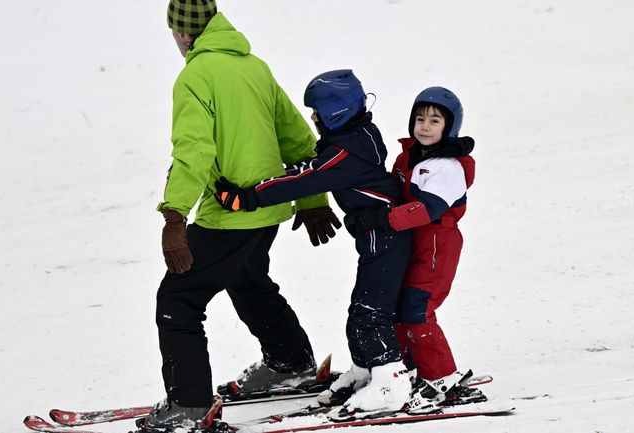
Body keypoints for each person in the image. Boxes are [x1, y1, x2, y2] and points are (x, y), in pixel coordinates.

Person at [143, 1, 343, 431]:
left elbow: (194, 151)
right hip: (268, 208)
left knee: (178, 300)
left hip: (231, 213)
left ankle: (188, 406)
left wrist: (175, 217)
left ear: (182, 33)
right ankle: (291, 362)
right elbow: (297, 137)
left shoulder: (195, 76)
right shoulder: (254, 67)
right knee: (247, 279)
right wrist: (311, 200)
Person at [214, 69, 413, 414]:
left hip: (386, 239)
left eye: (316, 114)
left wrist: (248, 197)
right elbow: (312, 168)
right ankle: (365, 373)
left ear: (335, 114)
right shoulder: (355, 140)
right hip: (378, 239)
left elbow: (305, 178)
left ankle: (390, 383)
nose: (313, 120)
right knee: (360, 311)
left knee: (370, 314)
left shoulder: (345, 156)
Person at [349, 86, 476, 412]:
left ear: (450, 127)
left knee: (418, 310)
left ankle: (442, 378)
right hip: (410, 242)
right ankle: (407, 371)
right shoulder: (407, 157)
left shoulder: (448, 168)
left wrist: (381, 219)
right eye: (420, 119)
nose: (425, 126)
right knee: (398, 306)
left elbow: (426, 210)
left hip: (436, 247)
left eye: (435, 121)